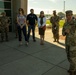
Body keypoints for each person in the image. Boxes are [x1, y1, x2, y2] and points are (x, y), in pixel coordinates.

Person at [62, 10, 76, 75]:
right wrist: (65, 32)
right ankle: (72, 68)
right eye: (67, 15)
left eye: (70, 15)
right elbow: (63, 34)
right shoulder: (65, 24)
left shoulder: (75, 23)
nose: (69, 16)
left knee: (72, 58)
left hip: (74, 43)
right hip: (67, 43)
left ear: (72, 15)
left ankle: (73, 71)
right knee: (68, 56)